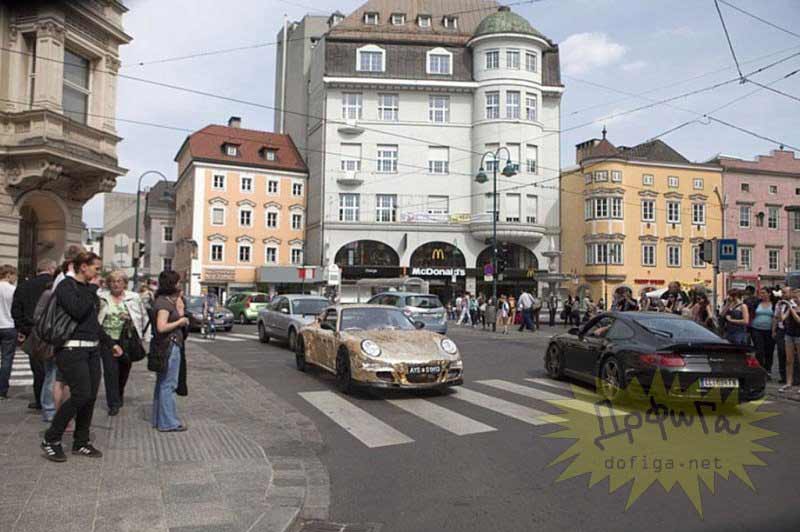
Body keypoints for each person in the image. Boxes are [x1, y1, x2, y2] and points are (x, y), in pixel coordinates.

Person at [41, 252, 119, 462]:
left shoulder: (87, 289)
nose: (98, 272)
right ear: (83, 266)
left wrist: (110, 343)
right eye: (95, 268)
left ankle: (81, 441)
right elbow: (77, 310)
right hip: (71, 349)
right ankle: (51, 438)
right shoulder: (66, 286)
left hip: (91, 349)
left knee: (90, 397)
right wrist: (93, 288)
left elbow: (91, 322)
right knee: (81, 394)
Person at [98, 271, 150, 416]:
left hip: (126, 339)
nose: (116, 284)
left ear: (125, 284)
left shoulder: (133, 298)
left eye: (119, 281)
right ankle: (113, 403)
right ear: (109, 283)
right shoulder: (101, 297)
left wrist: (130, 319)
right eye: (113, 281)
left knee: (124, 370)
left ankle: (119, 393)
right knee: (110, 371)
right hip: (107, 340)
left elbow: (142, 317)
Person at [11, 259, 57, 409]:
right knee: (53, 369)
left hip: (32, 332)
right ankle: (52, 400)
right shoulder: (57, 285)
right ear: (51, 269)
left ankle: (39, 400)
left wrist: (24, 329)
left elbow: (16, 311)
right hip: (53, 332)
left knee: (37, 369)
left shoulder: (24, 286)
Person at [151, 270, 189, 432]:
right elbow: (161, 326)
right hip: (169, 345)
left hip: (166, 345)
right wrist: (180, 322)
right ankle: (168, 422)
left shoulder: (164, 301)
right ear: (172, 284)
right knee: (168, 384)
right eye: (178, 282)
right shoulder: (164, 304)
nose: (180, 285)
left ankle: (159, 419)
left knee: (162, 383)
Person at [0, 265, 18, 400]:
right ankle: (2, 390)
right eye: (14, 275)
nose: (15, 278)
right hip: (9, 325)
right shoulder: (13, 290)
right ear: (8, 275)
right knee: (7, 359)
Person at [750, 287, 775, 378]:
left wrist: (774, 330)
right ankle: (759, 369)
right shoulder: (757, 303)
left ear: (769, 294)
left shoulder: (774, 304)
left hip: (769, 330)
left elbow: (776, 317)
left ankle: (768, 370)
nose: (762, 295)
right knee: (759, 351)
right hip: (756, 329)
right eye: (761, 293)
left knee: (769, 351)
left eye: (764, 293)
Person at [779, 288, 800, 393]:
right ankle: (788, 382)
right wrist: (780, 308)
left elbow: (798, 320)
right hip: (789, 334)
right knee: (789, 360)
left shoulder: (795, 308)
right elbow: (782, 318)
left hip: (799, 336)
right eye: (794, 297)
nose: (795, 299)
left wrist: (791, 309)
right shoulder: (791, 307)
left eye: (797, 297)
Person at [773, 290, 791, 384]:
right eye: (782, 293)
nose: (783, 295)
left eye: (785, 293)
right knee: (781, 352)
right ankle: (783, 376)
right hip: (781, 330)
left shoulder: (792, 304)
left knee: (789, 355)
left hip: (790, 330)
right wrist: (773, 330)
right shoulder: (779, 304)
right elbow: (777, 318)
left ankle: (791, 377)